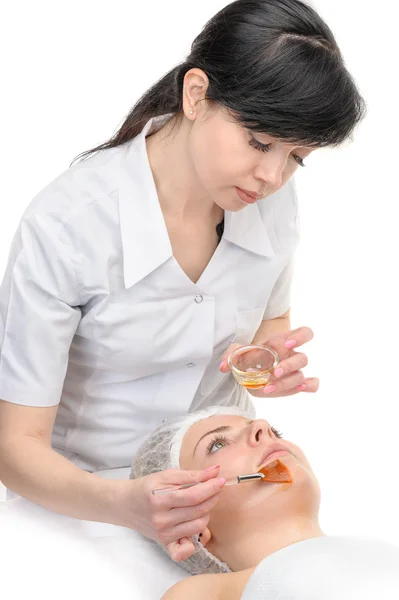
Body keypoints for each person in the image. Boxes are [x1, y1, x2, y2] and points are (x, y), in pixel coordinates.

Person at [0, 0, 365, 557]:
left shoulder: (272, 200)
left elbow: (267, 330)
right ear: (196, 95)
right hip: (89, 500)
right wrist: (123, 504)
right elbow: (14, 449)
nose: (272, 176)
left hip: (227, 494)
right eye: (260, 142)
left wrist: (268, 368)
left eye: (297, 157)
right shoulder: (69, 225)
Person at [131, 406, 399, 599]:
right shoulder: (201, 593)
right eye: (217, 444)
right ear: (192, 526)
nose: (263, 427)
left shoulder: (378, 549)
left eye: (276, 432)